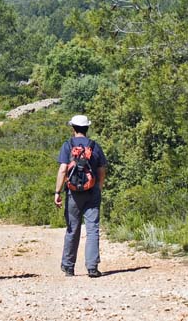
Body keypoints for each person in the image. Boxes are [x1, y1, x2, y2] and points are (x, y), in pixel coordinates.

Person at [54, 114, 107, 278]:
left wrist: (57, 192)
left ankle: (68, 266)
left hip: (73, 193)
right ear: (87, 128)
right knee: (92, 229)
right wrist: (98, 187)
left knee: (72, 229)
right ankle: (92, 267)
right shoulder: (94, 146)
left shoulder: (68, 145)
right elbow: (102, 170)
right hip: (92, 192)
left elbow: (63, 170)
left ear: (73, 128)